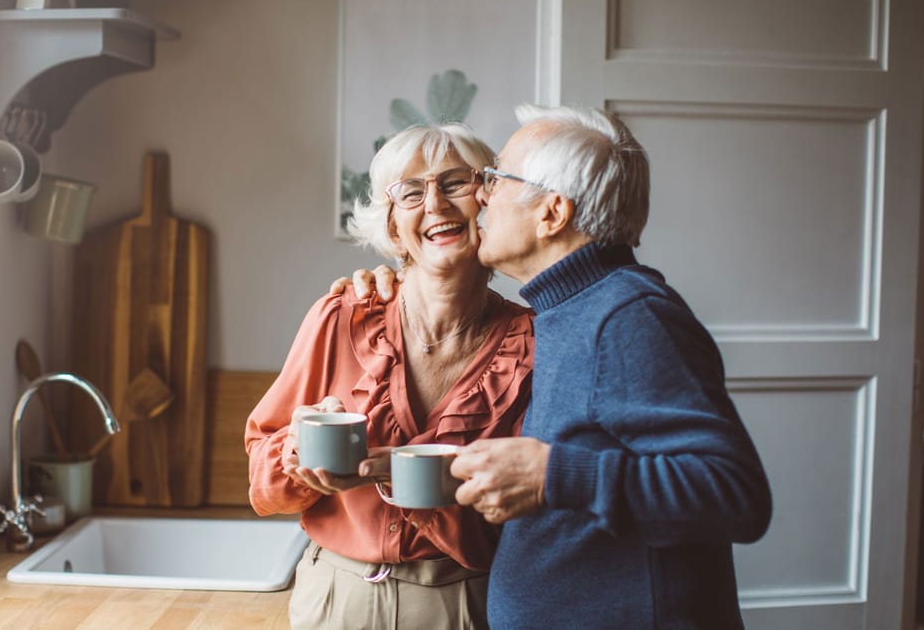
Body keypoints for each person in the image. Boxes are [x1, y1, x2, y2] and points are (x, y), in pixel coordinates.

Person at [342, 104, 772, 629]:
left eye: (495, 178)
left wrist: (550, 476)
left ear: (552, 214)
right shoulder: (568, 311)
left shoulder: (629, 316)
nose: (479, 195)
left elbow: (734, 495)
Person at [245, 123, 535, 630]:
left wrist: (434, 486)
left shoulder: (532, 344)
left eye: (455, 184)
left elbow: (535, 510)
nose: (436, 205)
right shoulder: (342, 315)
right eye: (411, 193)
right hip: (336, 597)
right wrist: (298, 451)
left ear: (486, 203)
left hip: (468, 602)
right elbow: (262, 482)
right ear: (394, 226)